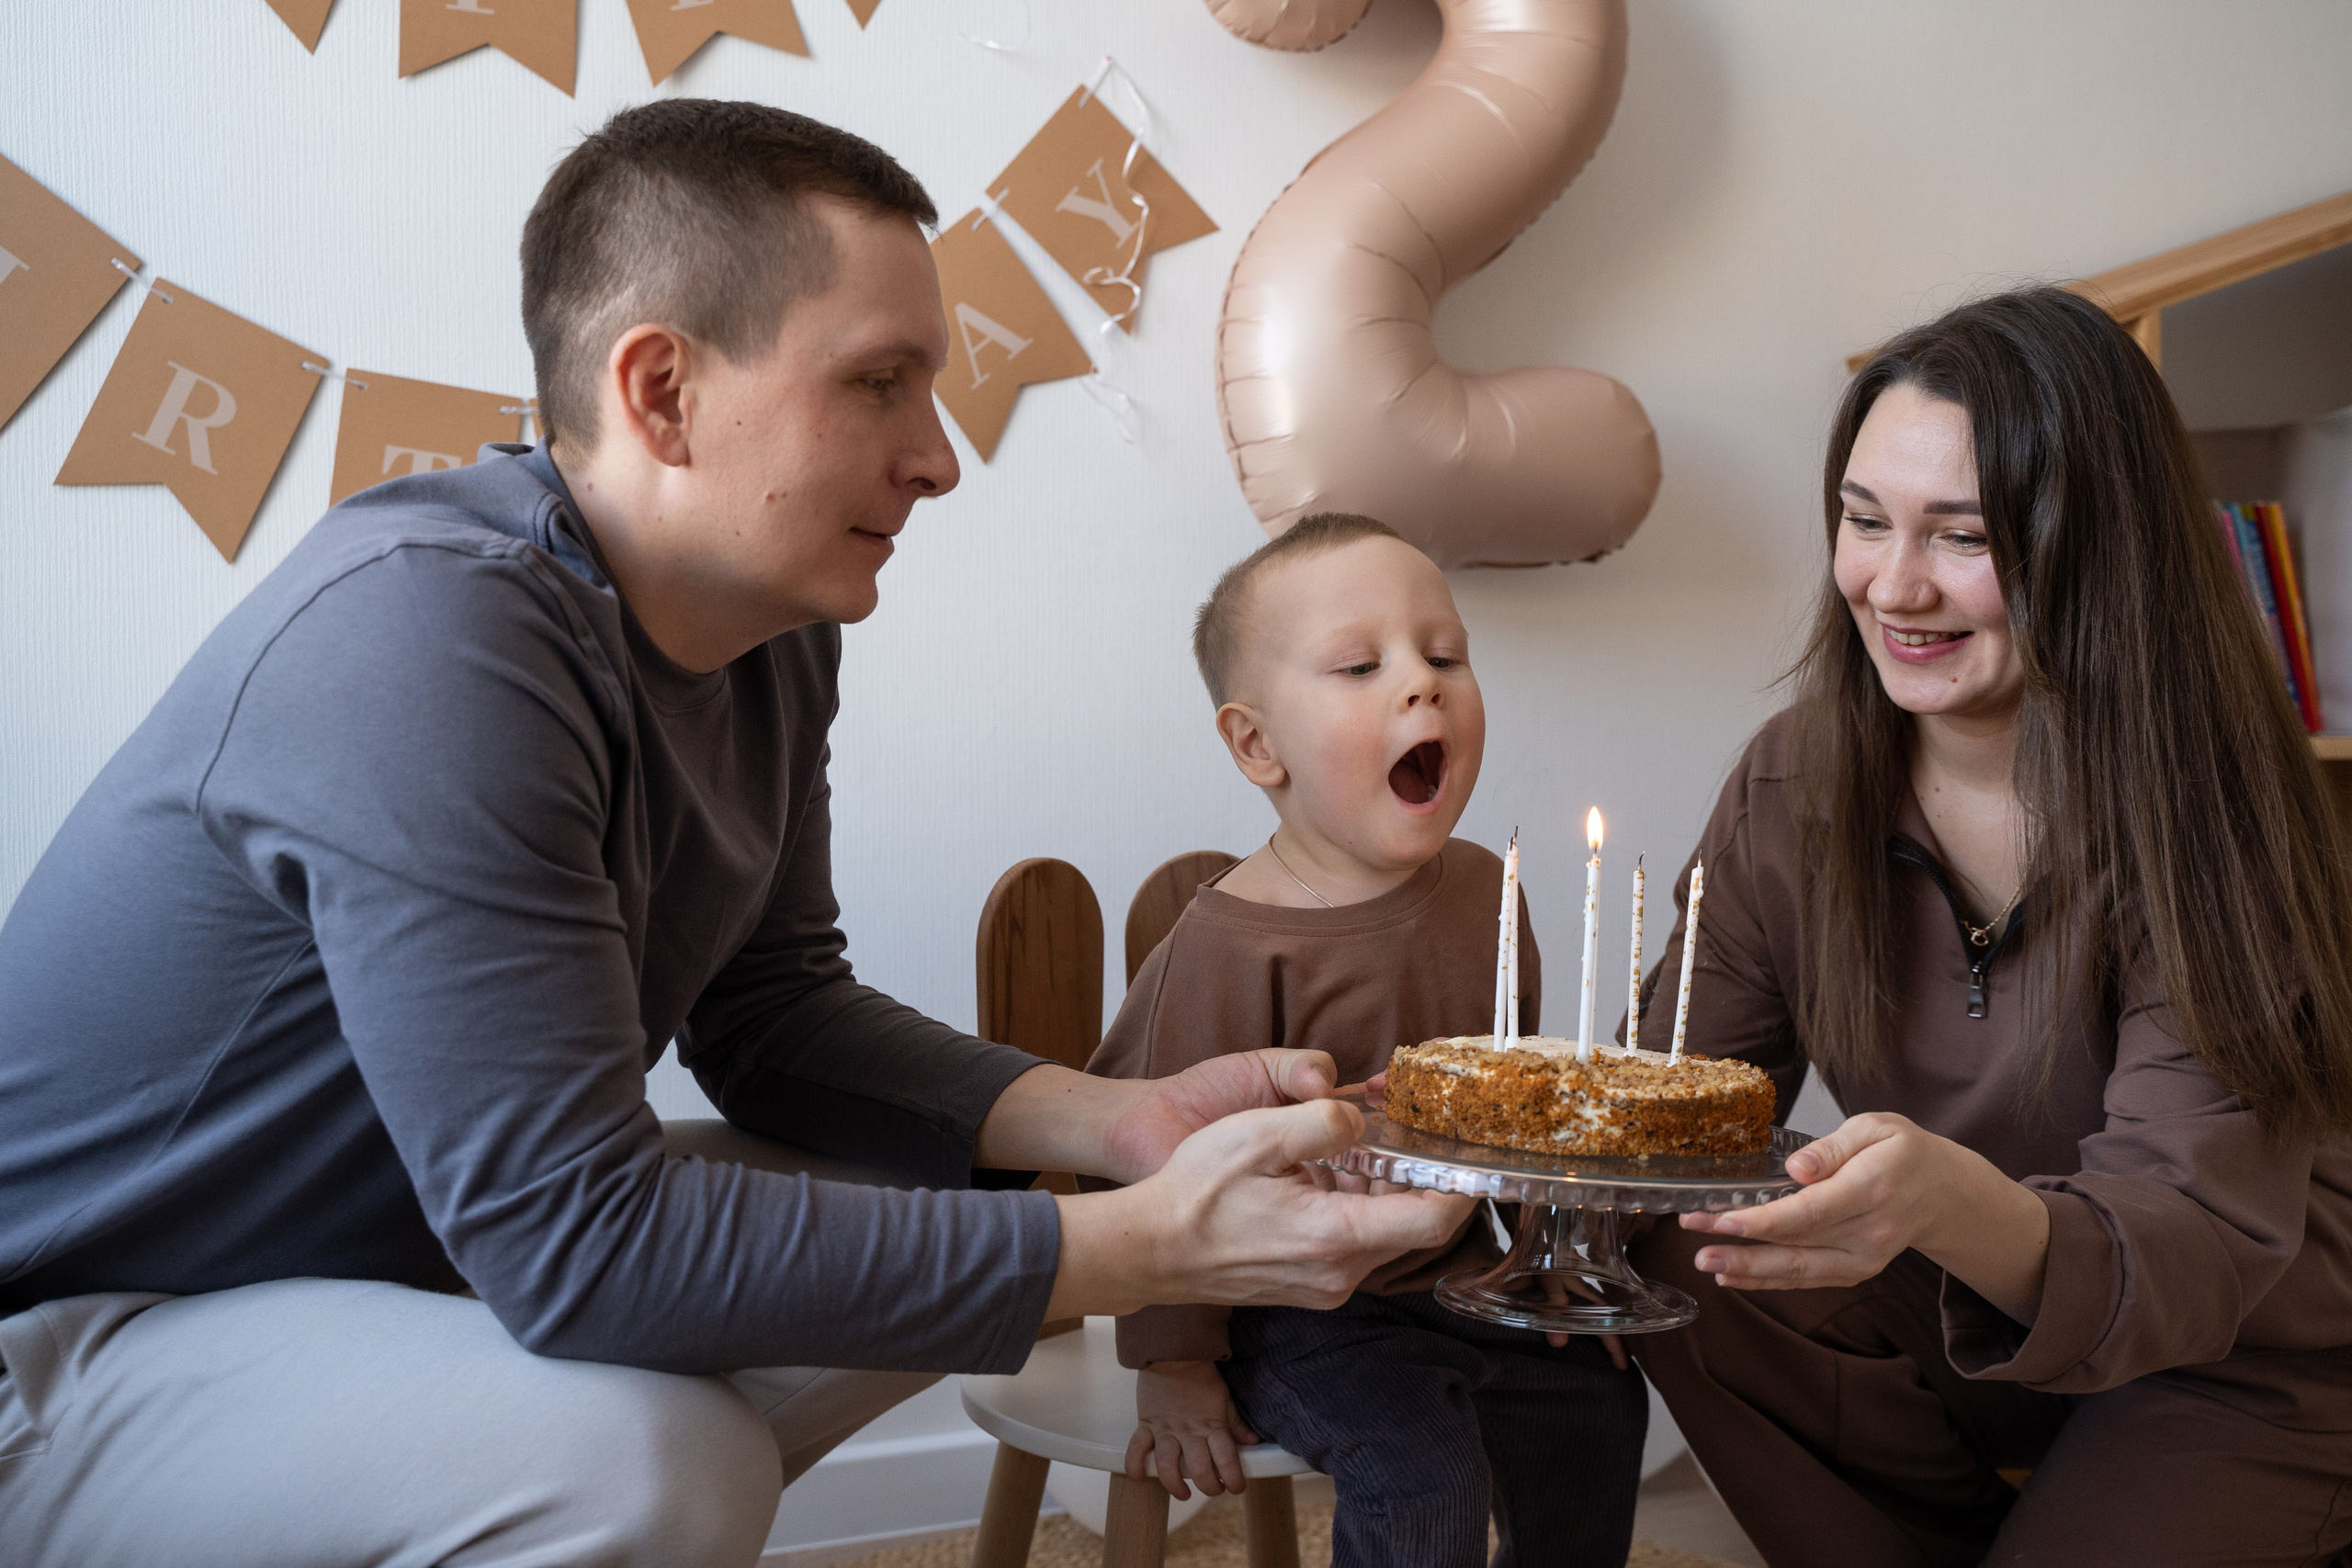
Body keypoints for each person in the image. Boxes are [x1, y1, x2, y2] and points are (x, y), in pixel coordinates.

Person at [0, 102, 1471, 1568]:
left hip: (388, 1267)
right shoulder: (430, 635)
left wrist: (1112, 1124)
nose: (938, 457)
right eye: (879, 382)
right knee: (655, 1466)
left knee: (950, 1187)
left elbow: (770, 1016)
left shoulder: (770, 636)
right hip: (81, 1331)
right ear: (662, 392)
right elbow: (576, 1238)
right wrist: (1146, 1247)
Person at [1620, 287, 2352, 1567]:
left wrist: (1948, 1200)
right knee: (1671, 1228)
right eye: (1862, 519)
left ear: (2092, 545)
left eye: (1962, 536)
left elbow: (2189, 1240)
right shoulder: (1794, 781)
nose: (1893, 585)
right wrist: (1405, 1131)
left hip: (2241, 1341)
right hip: (1973, 1299)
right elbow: (1666, 1103)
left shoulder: (2208, 806)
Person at [1087, 514, 1647, 1568]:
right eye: (1359, 665)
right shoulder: (1225, 945)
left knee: (1594, 1400)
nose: (1422, 684)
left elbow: (1510, 1112)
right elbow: (1139, 1172)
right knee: (1422, 1468)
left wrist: (1546, 1257)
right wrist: (1172, 1362)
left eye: (1444, 656)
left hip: (1455, 1277)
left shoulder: (1490, 890)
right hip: (1289, 1304)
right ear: (1258, 745)